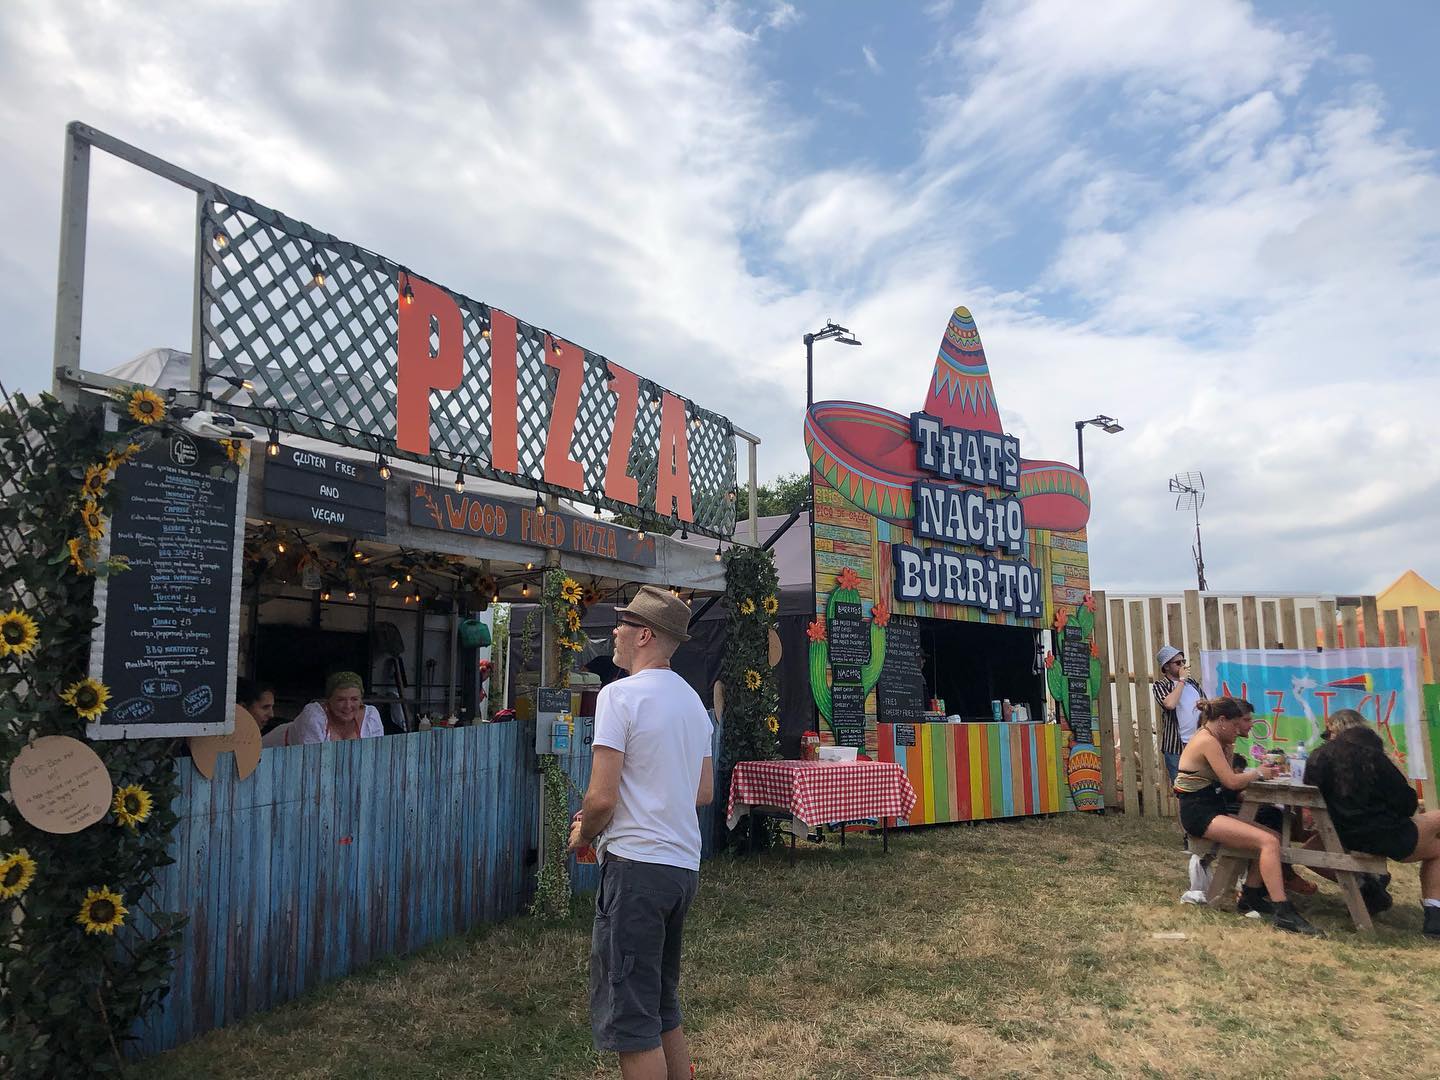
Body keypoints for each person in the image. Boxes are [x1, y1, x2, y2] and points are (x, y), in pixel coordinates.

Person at [567, 585, 714, 1080]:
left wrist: (584, 834)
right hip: (681, 869)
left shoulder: (619, 695)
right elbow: (702, 791)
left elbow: (601, 799)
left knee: (631, 1018)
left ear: (645, 635)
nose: (615, 631)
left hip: (636, 870)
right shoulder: (692, 702)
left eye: (623, 624)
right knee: (660, 1002)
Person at [1174, 696, 1320, 934]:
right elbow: (1231, 782)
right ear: (1222, 720)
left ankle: (1251, 896)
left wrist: (1230, 748)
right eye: (1236, 724)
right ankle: (1284, 911)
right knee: (1268, 842)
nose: (1238, 730)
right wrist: (1259, 773)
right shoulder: (1207, 741)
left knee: (1274, 837)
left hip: (1211, 809)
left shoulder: (1215, 739)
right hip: (1199, 814)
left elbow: (1228, 780)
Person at [1304, 711, 1440, 939]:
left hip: (1342, 834)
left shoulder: (1318, 758)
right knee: (1437, 842)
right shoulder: (1375, 758)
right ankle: (1434, 914)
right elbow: (1407, 804)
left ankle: (1369, 885)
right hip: (1386, 837)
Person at [1153, 645, 1204, 783]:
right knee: (1182, 787)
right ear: (1166, 666)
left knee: (1201, 785)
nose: (1182, 665)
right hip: (1177, 747)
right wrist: (1181, 681)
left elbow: (1206, 704)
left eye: (1183, 661)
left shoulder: (1192, 683)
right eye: (1178, 663)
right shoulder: (1161, 685)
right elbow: (1170, 704)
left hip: (1197, 743)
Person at [289, 671, 384, 744]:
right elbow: (311, 758)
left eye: (354, 699)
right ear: (328, 700)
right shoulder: (314, 718)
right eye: (340, 700)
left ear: (361, 700)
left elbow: (375, 754)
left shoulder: (371, 718)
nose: (348, 706)